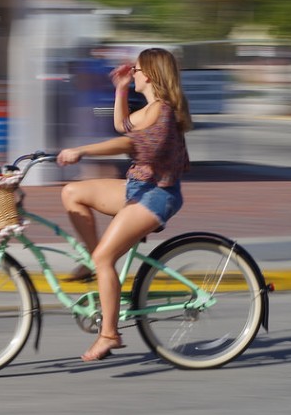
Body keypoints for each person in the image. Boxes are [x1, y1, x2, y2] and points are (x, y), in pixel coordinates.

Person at [56, 48, 193, 362]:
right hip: (137, 187)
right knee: (72, 193)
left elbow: (128, 143)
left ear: (153, 75)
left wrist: (82, 151)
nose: (136, 74)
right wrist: (119, 89)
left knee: (106, 256)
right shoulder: (150, 108)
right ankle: (97, 264)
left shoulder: (164, 111)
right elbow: (122, 126)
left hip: (157, 195)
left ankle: (109, 333)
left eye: (139, 70)